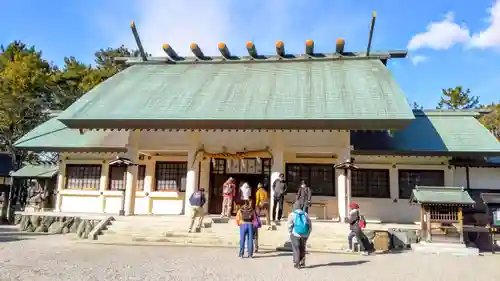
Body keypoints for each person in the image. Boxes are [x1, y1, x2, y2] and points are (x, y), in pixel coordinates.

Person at [287, 201, 312, 269]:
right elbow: (310, 226)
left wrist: (290, 234)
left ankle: (297, 263)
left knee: (296, 248)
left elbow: (289, 226)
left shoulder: (292, 214)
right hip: (305, 234)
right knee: (302, 248)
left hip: (296, 234)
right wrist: (307, 234)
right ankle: (302, 262)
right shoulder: (306, 214)